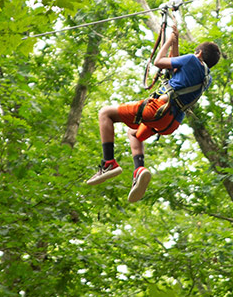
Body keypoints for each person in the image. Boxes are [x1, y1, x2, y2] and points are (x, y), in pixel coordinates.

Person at [90, 18, 221, 202]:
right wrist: (175, 41)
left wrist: (168, 41)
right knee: (134, 133)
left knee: (105, 113)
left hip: (158, 109)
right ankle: (139, 170)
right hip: (170, 122)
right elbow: (177, 70)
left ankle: (108, 163)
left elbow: (159, 62)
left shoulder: (192, 59)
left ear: (198, 53)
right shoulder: (207, 78)